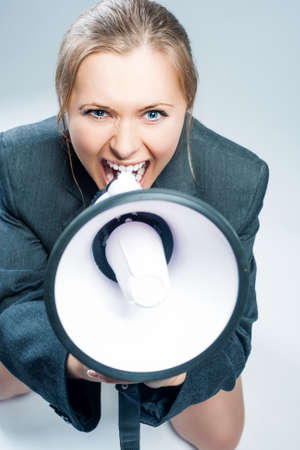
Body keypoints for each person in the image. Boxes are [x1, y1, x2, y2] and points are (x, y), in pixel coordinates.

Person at [0, 0, 269, 449]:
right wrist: (74, 362)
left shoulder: (236, 179)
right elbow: (12, 300)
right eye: (98, 113)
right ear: (65, 107)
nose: (125, 146)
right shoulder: (17, 164)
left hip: (177, 325)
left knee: (221, 437)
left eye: (154, 114)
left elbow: (237, 330)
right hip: (57, 317)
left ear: (188, 108)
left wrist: (178, 368)